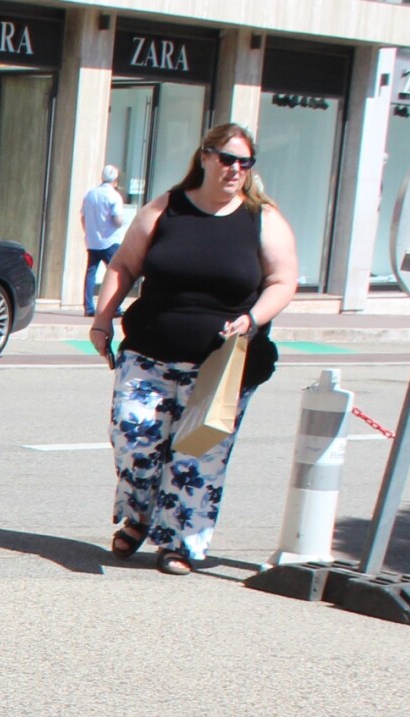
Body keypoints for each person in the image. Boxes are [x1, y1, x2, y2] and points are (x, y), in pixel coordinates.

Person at [88, 124, 297, 573]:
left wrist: (253, 318)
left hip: (221, 364)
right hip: (148, 351)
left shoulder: (262, 218)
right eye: (227, 159)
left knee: (197, 454)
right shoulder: (167, 209)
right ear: (204, 157)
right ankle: (139, 515)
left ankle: (179, 543)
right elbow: (124, 265)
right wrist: (103, 318)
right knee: (133, 436)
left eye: (245, 163)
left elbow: (283, 280)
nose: (235, 170)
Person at [80, 164, 128, 316]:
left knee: (91, 274)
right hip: (110, 241)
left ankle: (89, 307)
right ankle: (115, 307)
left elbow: (83, 217)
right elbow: (117, 220)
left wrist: (88, 232)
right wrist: (123, 222)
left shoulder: (90, 194)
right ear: (115, 180)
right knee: (116, 274)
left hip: (92, 241)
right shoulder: (114, 196)